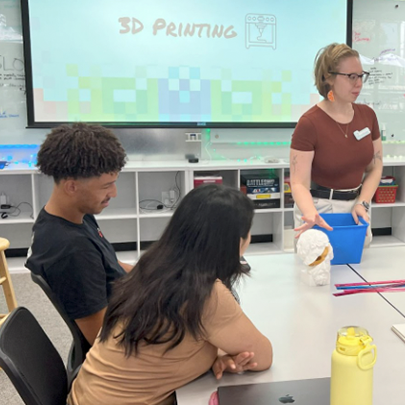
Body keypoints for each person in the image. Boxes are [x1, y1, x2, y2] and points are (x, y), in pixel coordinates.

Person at [68, 184, 273, 405]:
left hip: (83, 396)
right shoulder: (206, 293)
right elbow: (263, 357)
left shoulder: (152, 265)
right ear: (237, 242)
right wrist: (225, 354)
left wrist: (220, 356)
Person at [26, 123, 132, 346]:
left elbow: (113, 266)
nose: (114, 193)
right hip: (120, 345)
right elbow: (104, 340)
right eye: (106, 186)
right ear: (71, 187)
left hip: (128, 306)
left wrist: (163, 274)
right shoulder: (71, 251)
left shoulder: (75, 215)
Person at [290, 43, 383, 244]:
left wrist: (363, 204)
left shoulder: (368, 116)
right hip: (319, 209)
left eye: (361, 75)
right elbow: (298, 182)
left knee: (361, 271)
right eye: (351, 76)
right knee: (318, 269)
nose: (358, 83)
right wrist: (310, 213)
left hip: (357, 208)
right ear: (328, 77)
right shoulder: (309, 123)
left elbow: (375, 167)